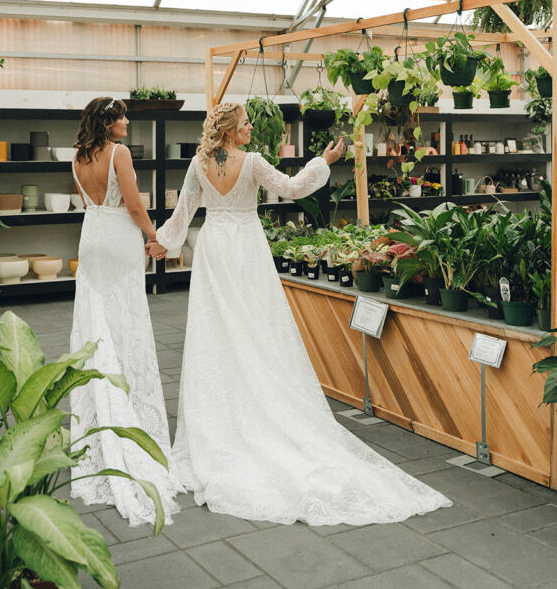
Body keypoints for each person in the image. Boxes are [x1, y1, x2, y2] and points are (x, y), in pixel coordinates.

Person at [149, 102, 451, 526]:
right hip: (247, 248)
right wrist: (323, 162)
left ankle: (222, 414)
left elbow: (183, 212)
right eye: (246, 124)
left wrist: (162, 243)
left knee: (216, 327)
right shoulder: (251, 162)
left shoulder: (199, 164)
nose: (251, 129)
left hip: (215, 247)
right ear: (232, 131)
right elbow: (291, 188)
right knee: (257, 325)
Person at [69, 96, 181, 526]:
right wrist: (155, 236)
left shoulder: (79, 157)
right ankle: (128, 403)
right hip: (117, 237)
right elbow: (134, 204)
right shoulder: (119, 154)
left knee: (96, 323)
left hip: (91, 236)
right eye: (122, 117)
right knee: (126, 319)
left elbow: (86, 205)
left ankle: (99, 403)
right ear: (108, 122)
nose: (127, 122)